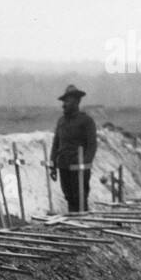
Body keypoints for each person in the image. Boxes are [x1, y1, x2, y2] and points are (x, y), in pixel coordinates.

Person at [49, 84, 97, 213]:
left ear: (77, 101)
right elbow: (56, 144)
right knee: (69, 196)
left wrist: (85, 163)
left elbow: (92, 145)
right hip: (64, 164)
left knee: (80, 197)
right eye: (64, 101)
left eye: (68, 101)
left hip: (79, 166)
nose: (64, 104)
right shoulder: (61, 121)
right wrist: (52, 164)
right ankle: (74, 225)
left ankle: (83, 223)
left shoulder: (86, 121)